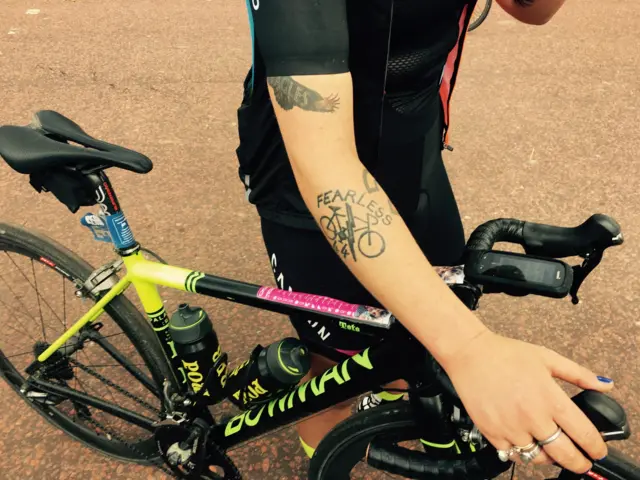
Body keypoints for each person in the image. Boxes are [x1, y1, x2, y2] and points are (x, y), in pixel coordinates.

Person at [234, 0, 614, 474]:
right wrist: (470, 349)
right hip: (305, 178)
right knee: (334, 370)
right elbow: (327, 171)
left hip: (414, 154)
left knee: (415, 343)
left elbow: (532, 10)